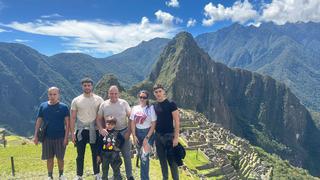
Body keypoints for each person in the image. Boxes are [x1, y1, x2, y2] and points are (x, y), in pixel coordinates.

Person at [96, 85, 134, 180]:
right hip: (109, 135)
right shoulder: (104, 104)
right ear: (108, 94)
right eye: (111, 93)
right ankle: (117, 175)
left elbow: (131, 117)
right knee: (112, 156)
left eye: (115, 93)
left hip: (123, 132)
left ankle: (129, 176)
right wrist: (101, 129)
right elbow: (98, 119)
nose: (113, 95)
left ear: (119, 93)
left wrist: (128, 132)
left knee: (126, 155)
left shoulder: (124, 103)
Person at [70, 78, 104, 180]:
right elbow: (73, 117)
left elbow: (102, 116)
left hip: (95, 129)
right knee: (80, 154)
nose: (87, 87)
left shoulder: (99, 99)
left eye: (89, 85)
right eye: (85, 85)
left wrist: (102, 129)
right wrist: (72, 133)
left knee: (96, 153)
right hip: (81, 130)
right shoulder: (76, 100)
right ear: (82, 86)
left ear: (92, 86)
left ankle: (97, 173)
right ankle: (79, 175)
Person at [33, 87, 70, 180]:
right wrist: (35, 135)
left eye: (55, 94)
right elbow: (39, 121)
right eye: (50, 94)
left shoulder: (64, 107)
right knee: (49, 158)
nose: (52, 96)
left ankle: (61, 175)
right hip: (47, 137)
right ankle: (50, 175)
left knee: (60, 158)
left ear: (58, 95)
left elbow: (67, 123)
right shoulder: (43, 106)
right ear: (48, 95)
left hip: (60, 137)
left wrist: (66, 138)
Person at [153, 84, 180, 180]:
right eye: (156, 92)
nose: (158, 93)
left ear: (164, 91)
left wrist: (176, 137)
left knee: (172, 161)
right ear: (154, 94)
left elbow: (177, 121)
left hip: (169, 136)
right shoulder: (155, 106)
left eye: (160, 91)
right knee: (162, 161)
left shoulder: (171, 104)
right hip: (158, 136)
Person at [130, 90, 157, 180]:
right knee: (140, 155)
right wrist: (134, 135)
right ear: (139, 97)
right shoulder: (135, 108)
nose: (142, 99)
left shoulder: (151, 108)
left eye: (144, 97)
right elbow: (133, 122)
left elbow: (153, 123)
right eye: (141, 97)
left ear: (147, 99)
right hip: (137, 133)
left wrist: (147, 137)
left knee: (144, 157)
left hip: (147, 133)